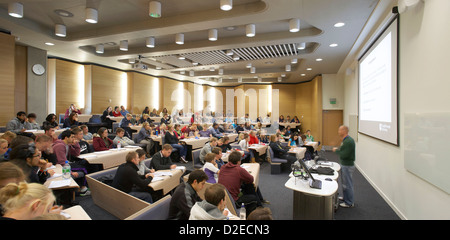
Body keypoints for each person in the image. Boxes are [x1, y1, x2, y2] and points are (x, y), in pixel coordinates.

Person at [333, 125, 356, 208]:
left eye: (340, 130)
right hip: (345, 164)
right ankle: (346, 198)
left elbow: (344, 154)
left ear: (344, 131)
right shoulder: (345, 140)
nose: (338, 132)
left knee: (348, 184)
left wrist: (336, 151)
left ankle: (349, 202)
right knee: (344, 183)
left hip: (347, 165)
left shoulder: (348, 141)